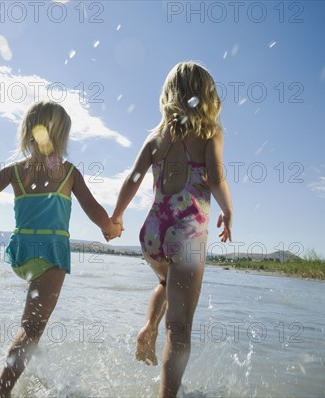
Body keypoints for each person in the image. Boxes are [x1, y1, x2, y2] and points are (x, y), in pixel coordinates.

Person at [0, 100, 121, 398]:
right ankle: (0, 392)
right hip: (51, 254)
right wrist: (111, 228)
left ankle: (29, 377)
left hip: (21, 253)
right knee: (31, 330)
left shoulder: (15, 172)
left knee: (32, 327)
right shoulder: (68, 173)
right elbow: (97, 213)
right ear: (62, 136)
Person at [111, 61, 233, 397]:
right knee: (178, 331)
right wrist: (228, 209)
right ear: (207, 96)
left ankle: (148, 328)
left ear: (169, 95)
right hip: (189, 232)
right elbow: (216, 173)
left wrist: (117, 216)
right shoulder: (210, 133)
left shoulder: (155, 137)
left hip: (152, 232)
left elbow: (132, 179)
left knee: (167, 282)